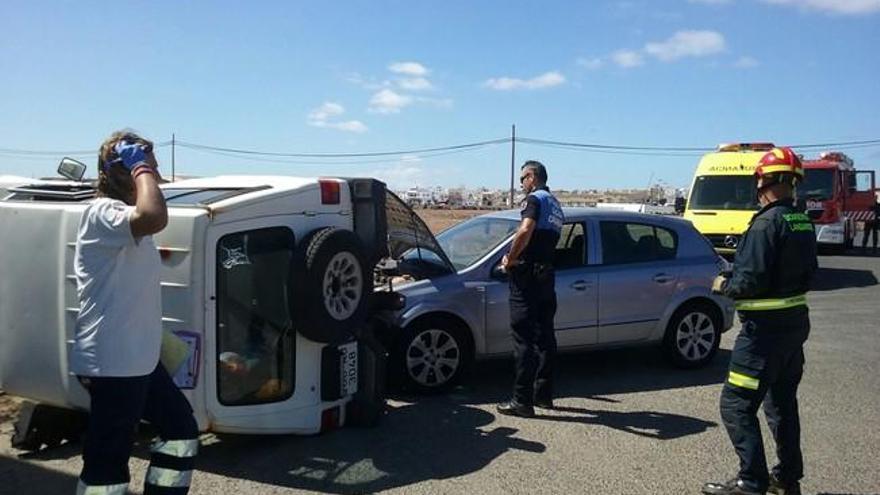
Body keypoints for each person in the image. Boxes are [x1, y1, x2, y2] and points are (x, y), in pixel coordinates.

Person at [72, 131, 198, 494]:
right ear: (121, 172)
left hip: (136, 358)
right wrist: (139, 165)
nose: (153, 172)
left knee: (180, 432)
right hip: (112, 361)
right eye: (146, 165)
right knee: (107, 462)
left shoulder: (124, 221)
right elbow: (154, 215)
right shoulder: (102, 214)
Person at [702, 147, 817, 495]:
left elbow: (749, 281)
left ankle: (751, 482)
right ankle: (787, 478)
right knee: (782, 405)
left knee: (736, 404)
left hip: (762, 335)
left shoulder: (766, 222)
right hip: (793, 328)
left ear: (763, 181)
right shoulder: (801, 220)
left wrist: (725, 284)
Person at [496, 160, 564, 418]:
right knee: (545, 337)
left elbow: (525, 229)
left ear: (533, 177)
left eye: (523, 177)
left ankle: (522, 400)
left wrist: (511, 258)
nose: (521, 183)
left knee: (523, 338)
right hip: (547, 277)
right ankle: (543, 395)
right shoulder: (556, 205)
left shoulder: (534, 200)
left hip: (527, 277)